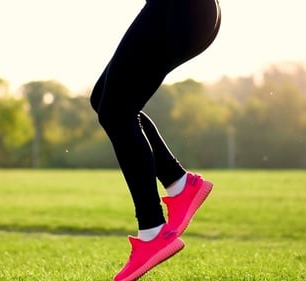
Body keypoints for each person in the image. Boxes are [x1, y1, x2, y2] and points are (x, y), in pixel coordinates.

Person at [89, 0, 221, 280]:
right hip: (188, 13)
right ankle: (180, 184)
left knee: (115, 111)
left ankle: (153, 230)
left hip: (181, 11)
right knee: (105, 101)